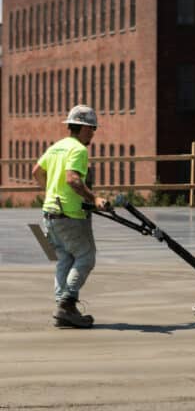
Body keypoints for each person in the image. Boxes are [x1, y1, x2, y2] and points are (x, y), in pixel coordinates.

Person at [32, 104, 109, 328]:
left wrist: (49, 193)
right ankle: (67, 303)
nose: (93, 133)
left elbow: (36, 171)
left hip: (49, 214)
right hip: (70, 215)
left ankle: (63, 308)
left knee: (65, 258)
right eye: (92, 128)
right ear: (83, 128)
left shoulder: (57, 147)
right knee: (86, 256)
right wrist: (94, 199)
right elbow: (73, 179)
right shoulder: (78, 150)